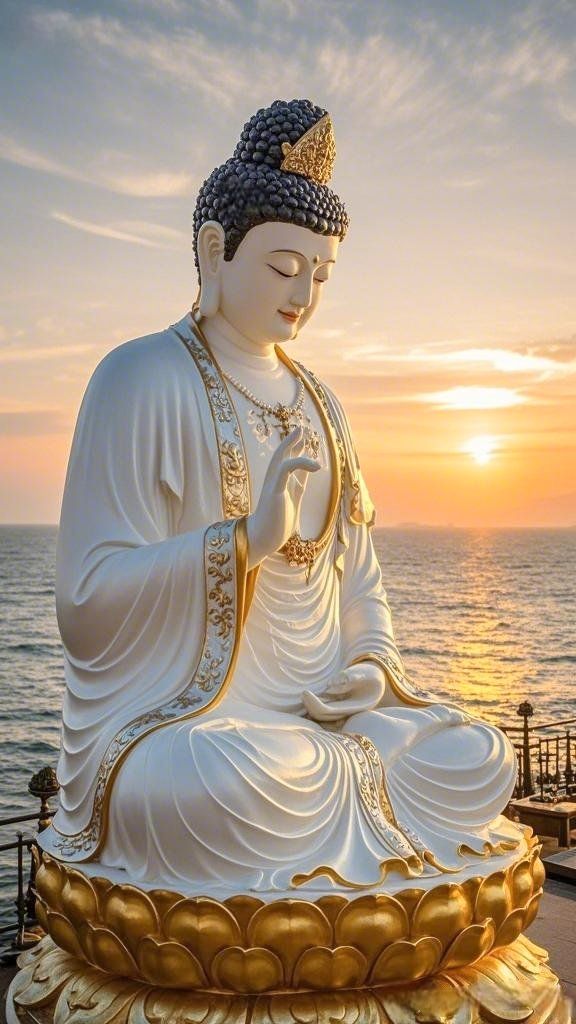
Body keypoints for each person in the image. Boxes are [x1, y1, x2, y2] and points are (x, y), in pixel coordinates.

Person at [39, 99, 522, 894]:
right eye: (284, 267)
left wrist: (368, 666)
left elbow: (359, 580)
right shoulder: (140, 378)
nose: (306, 294)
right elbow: (86, 603)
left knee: (481, 754)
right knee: (226, 781)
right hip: (198, 727)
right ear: (214, 251)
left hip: (320, 724)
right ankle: (351, 807)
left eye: (321, 275)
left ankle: (352, 790)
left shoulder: (324, 404)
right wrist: (246, 542)